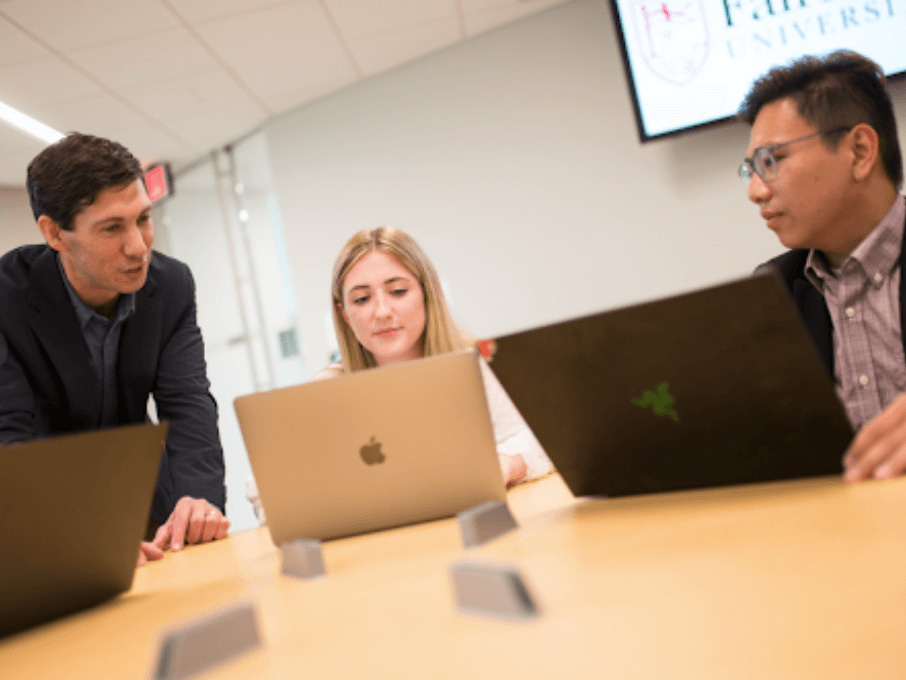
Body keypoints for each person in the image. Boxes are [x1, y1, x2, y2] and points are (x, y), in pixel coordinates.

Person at [0, 133, 230, 565]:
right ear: (54, 233)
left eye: (143, 217)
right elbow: (10, 441)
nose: (139, 246)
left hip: (148, 505)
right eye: (112, 228)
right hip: (48, 519)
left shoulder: (172, 285)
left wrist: (197, 498)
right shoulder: (6, 300)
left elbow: (188, 404)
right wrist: (87, 533)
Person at [246, 226, 553, 523]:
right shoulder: (327, 389)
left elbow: (543, 438)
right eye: (362, 299)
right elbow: (263, 490)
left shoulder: (474, 365)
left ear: (426, 293)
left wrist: (509, 465)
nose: (382, 312)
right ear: (345, 314)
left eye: (397, 291)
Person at [737, 50, 906, 483]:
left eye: (771, 161)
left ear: (860, 150)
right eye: (750, 169)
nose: (756, 191)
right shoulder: (775, 290)